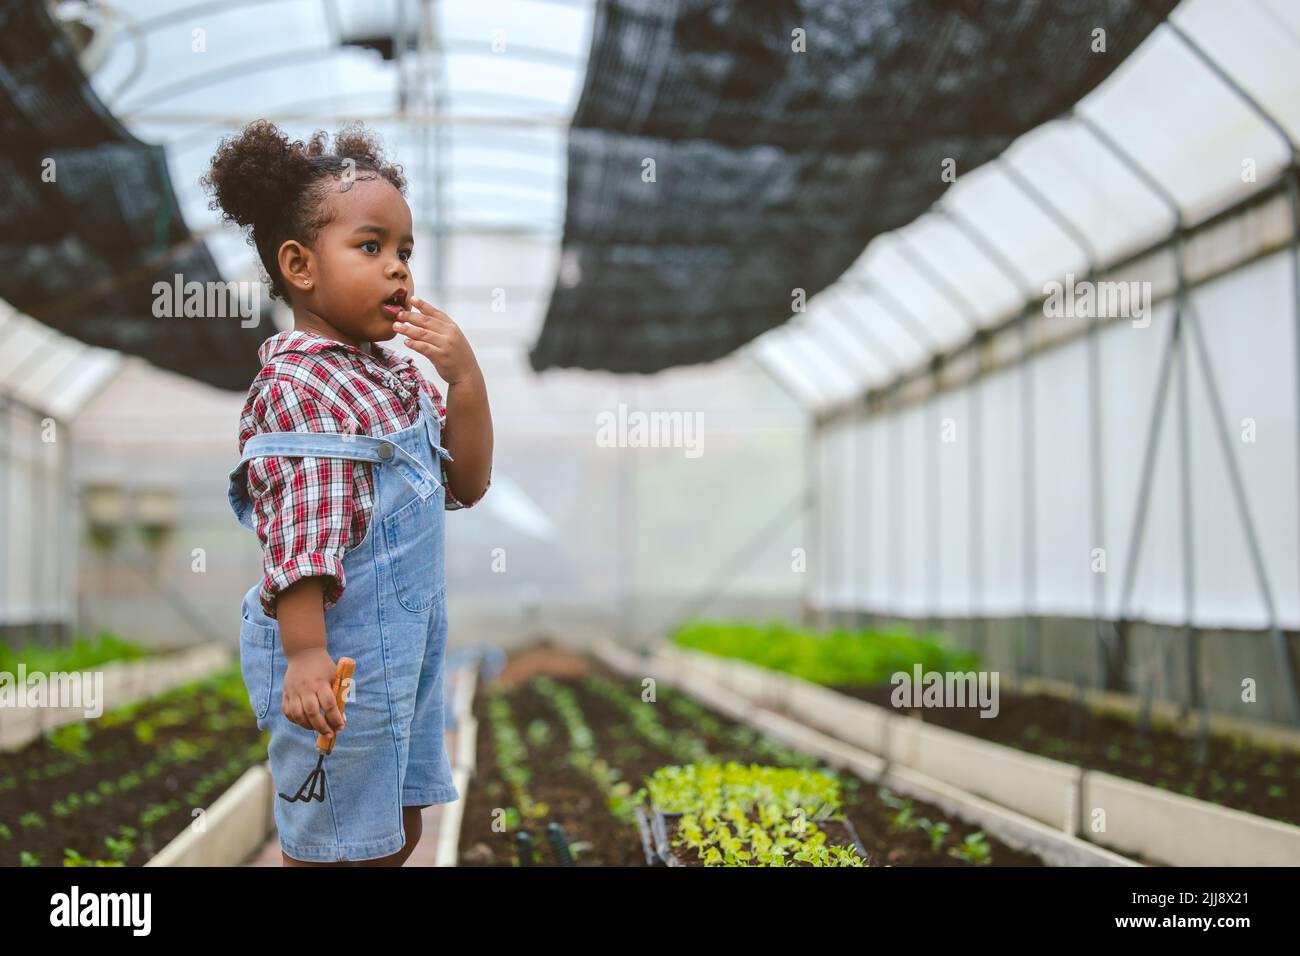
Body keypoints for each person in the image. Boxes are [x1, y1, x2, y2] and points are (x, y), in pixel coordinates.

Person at [204, 120, 493, 865]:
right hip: (337, 664)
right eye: (372, 248)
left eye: (405, 252)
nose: (399, 270)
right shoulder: (301, 382)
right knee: (338, 843)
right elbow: (299, 532)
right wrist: (305, 656)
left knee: (396, 832)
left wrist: (465, 380)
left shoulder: (389, 377)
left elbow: (468, 481)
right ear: (299, 265)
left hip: (402, 655)